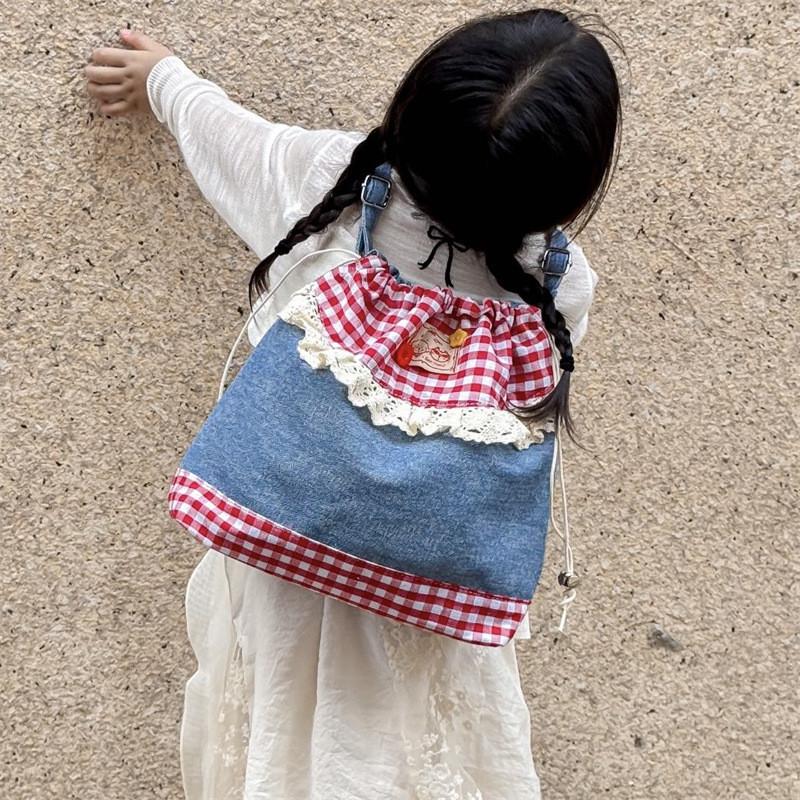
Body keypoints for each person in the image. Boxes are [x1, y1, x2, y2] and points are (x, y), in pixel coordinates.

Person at [85, 9, 621, 799]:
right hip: (434, 603)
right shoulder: (558, 287)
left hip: (282, 566)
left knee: (276, 749)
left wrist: (162, 78)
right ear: (570, 188)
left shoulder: (333, 187)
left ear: (412, 118)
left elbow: (233, 139)